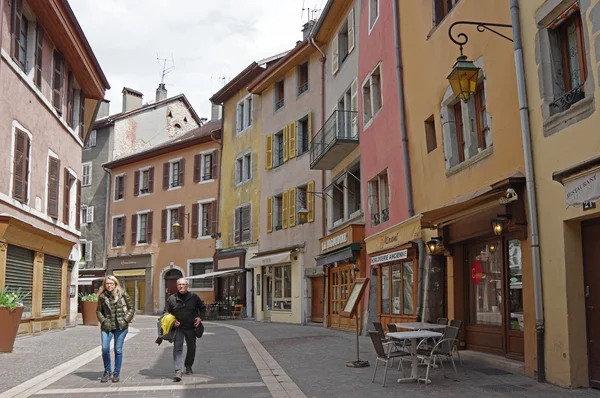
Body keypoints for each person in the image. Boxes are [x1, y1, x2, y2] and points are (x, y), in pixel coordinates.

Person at [164, 278, 206, 382]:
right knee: (177, 349)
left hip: (191, 327)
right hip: (178, 328)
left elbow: (202, 307)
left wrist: (200, 318)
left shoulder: (194, 297)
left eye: (183, 284)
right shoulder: (171, 299)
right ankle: (178, 370)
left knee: (192, 348)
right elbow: (165, 313)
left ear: (187, 286)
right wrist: (173, 322)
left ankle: (188, 366)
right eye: (179, 284)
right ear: (177, 286)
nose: (181, 286)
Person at [96, 276, 135, 383]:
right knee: (105, 348)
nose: (109, 285)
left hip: (120, 327)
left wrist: (125, 320)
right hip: (107, 326)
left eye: (111, 283)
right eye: (107, 283)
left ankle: (116, 372)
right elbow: (98, 311)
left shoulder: (123, 294)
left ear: (115, 284)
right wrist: (104, 321)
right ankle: (107, 371)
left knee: (118, 350)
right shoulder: (102, 296)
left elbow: (131, 308)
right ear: (105, 284)